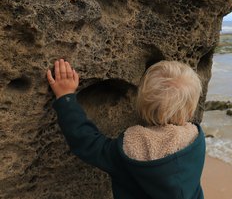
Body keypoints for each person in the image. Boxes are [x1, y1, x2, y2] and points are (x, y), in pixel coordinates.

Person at [47, 59, 205, 199]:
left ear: (140, 104)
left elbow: (86, 141)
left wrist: (66, 98)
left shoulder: (126, 153)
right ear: (191, 111)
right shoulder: (196, 143)